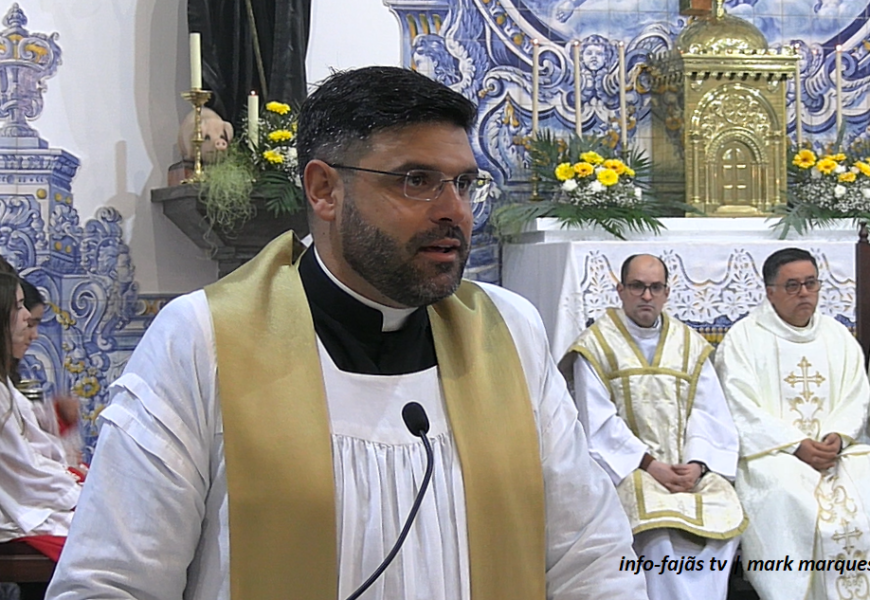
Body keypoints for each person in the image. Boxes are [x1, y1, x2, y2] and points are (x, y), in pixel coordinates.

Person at [47, 66, 647, 600]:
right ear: (324, 189)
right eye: (416, 180)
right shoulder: (203, 339)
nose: (454, 211)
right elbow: (110, 582)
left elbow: (590, 555)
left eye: (464, 184)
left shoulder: (509, 333)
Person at [560, 254, 746, 600]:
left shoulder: (690, 344)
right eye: (637, 287)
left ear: (666, 293)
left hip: (687, 467)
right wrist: (651, 466)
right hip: (630, 469)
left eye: (655, 288)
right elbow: (598, 424)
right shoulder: (596, 346)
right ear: (620, 290)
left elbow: (709, 413)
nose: (646, 296)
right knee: (658, 532)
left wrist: (697, 464)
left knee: (723, 522)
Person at [714, 247, 870, 600]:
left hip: (836, 453)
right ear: (770, 292)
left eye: (811, 284)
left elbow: (856, 393)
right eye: (793, 286)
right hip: (773, 453)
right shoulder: (743, 338)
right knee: (787, 492)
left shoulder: (837, 336)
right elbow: (738, 405)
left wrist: (838, 436)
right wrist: (795, 444)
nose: (804, 293)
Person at [0, 272, 80, 554]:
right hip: (15, 507)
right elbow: (22, 470)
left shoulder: (4, 381)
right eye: (19, 307)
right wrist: (75, 491)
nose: (26, 320)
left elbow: (26, 441)